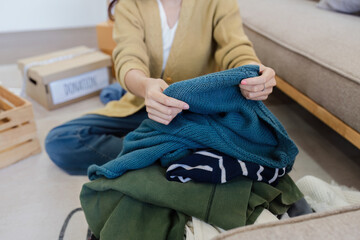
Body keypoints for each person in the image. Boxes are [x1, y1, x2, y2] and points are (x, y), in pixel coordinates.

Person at [45, 0, 277, 175]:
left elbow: (235, 47)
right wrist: (146, 87)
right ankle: (177, 154)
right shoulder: (130, 4)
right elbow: (129, 56)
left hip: (199, 111)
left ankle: (154, 153)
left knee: (260, 145)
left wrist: (253, 74)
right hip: (146, 103)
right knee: (61, 141)